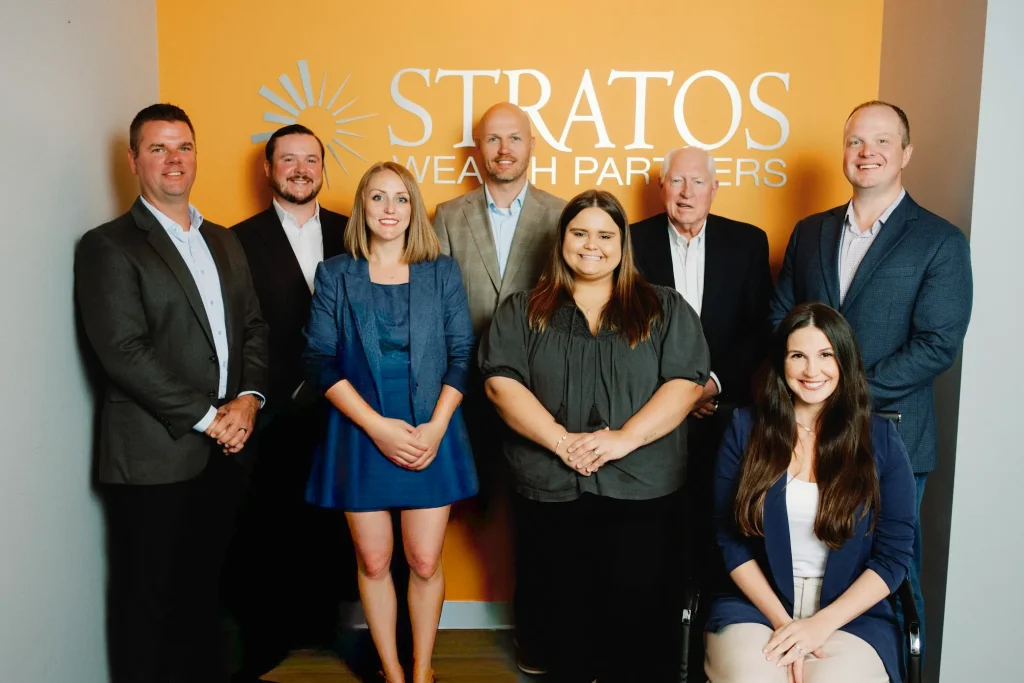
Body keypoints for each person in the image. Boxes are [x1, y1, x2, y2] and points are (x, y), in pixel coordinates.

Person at [480, 189, 709, 683]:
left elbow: (686, 383)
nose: (592, 245)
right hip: (550, 485)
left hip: (642, 486)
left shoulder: (663, 307)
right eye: (579, 233)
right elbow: (501, 384)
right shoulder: (522, 310)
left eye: (605, 236)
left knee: (639, 616)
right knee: (563, 615)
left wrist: (624, 438)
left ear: (622, 245)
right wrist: (561, 442)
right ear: (561, 240)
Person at [75, 103, 269, 683]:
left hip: (226, 450)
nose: (173, 159)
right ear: (133, 160)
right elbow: (124, 352)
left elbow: (253, 327)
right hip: (152, 456)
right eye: (157, 148)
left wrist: (248, 400)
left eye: (183, 146)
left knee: (208, 592)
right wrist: (211, 418)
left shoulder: (223, 240)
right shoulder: (109, 245)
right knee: (148, 601)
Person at [769, 101, 973, 649]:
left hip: (893, 435)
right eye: (856, 141)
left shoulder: (940, 240)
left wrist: (841, 392)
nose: (867, 152)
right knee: (807, 564)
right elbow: (780, 319)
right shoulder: (810, 231)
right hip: (803, 435)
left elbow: (937, 345)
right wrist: (808, 389)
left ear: (906, 153)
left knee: (892, 577)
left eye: (882, 141)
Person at [303, 161, 478, 683]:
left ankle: (422, 671)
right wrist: (377, 427)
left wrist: (437, 427)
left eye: (401, 198)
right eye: (377, 197)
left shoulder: (441, 271)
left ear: (413, 209)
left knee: (424, 560)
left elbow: (462, 354)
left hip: (432, 427)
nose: (389, 209)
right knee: (375, 560)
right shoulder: (335, 273)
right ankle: (393, 672)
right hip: (360, 430)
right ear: (362, 206)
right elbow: (319, 360)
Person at [705, 302, 916, 683]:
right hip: (757, 606)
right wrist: (784, 624)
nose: (811, 370)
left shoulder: (881, 440)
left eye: (825, 355)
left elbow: (893, 556)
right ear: (781, 362)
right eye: (797, 356)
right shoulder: (745, 429)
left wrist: (819, 626)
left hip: (850, 614)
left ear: (844, 361)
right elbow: (729, 541)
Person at [432, 101, 565, 674]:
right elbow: (434, 304)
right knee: (434, 517)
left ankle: (538, 639)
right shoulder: (447, 215)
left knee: (538, 526)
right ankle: (417, 638)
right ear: (478, 149)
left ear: (532, 145)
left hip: (539, 398)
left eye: (514, 138)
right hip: (460, 394)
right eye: (492, 139)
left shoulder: (562, 215)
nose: (504, 150)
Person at [632, 146, 773, 677]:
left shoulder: (748, 242)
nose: (686, 192)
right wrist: (675, 393)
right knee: (658, 531)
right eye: (676, 181)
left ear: (714, 188)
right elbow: (624, 331)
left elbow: (758, 330)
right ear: (662, 188)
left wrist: (710, 385)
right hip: (651, 414)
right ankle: (658, 640)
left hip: (725, 411)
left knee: (722, 524)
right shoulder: (631, 240)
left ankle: (715, 638)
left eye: (697, 182)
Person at [228, 124, 352, 679]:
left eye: (311, 160)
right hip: (272, 404)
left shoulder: (355, 231)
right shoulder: (236, 239)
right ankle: (271, 636)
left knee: (339, 523)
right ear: (268, 168)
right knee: (272, 521)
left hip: (347, 405)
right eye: (288, 159)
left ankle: (331, 628)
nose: (300, 170)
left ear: (322, 168)